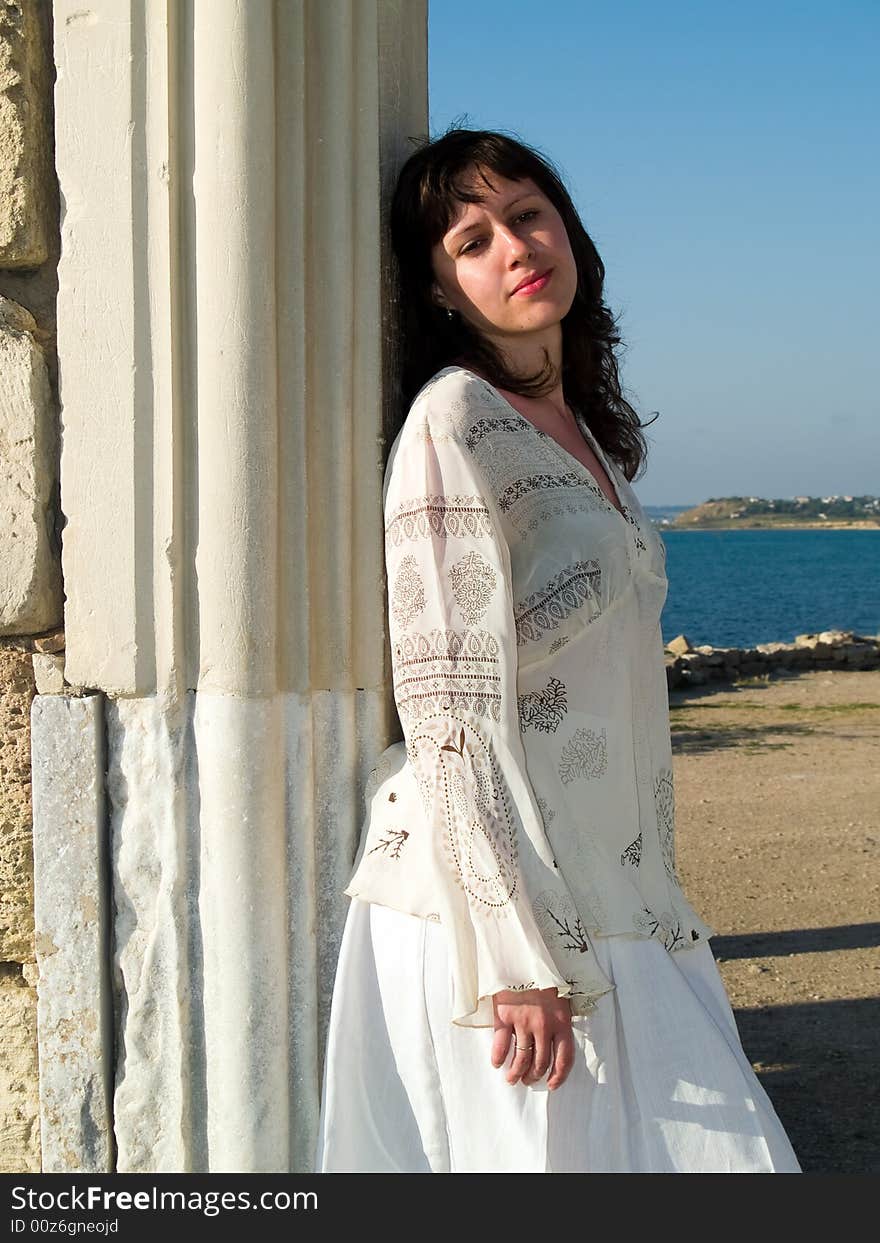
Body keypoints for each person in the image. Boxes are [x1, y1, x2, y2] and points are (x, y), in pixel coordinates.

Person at [315, 127, 801, 1173]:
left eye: (527, 215)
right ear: (441, 289)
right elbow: (445, 704)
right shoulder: (456, 421)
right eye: (472, 238)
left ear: (567, 229)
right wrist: (513, 959)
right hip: (508, 923)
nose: (514, 246)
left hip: (627, 905)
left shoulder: (581, 433)